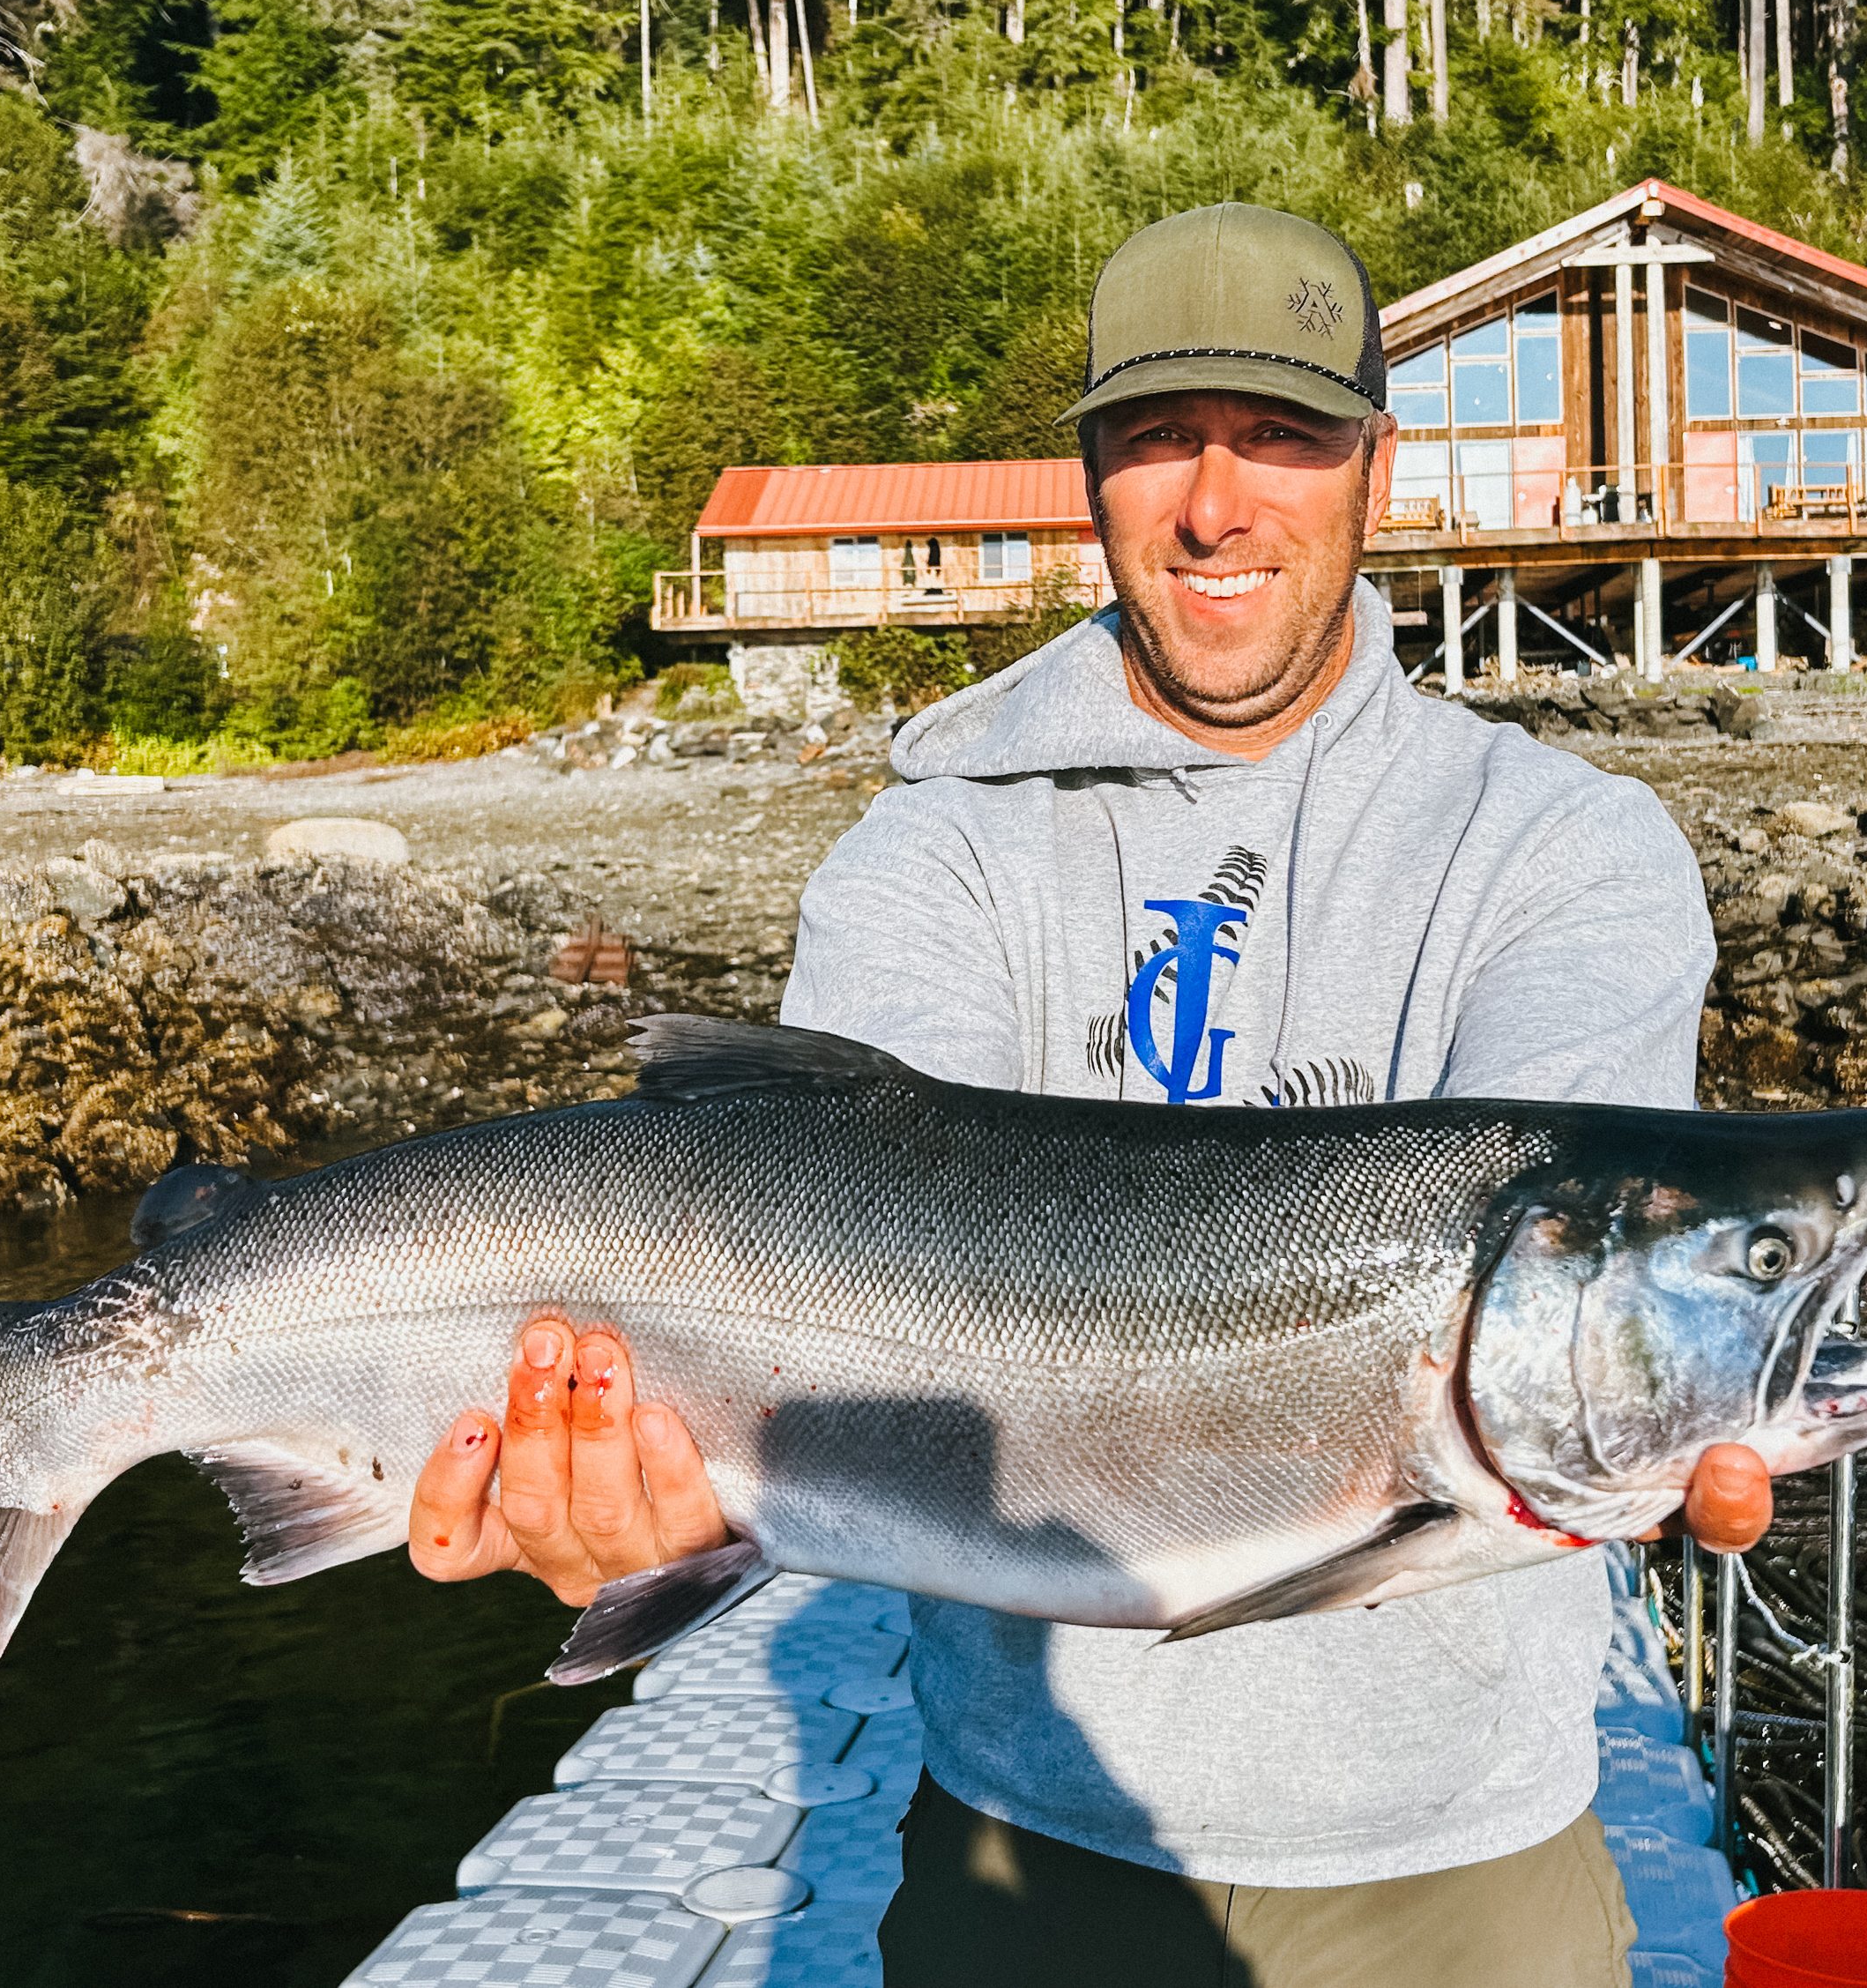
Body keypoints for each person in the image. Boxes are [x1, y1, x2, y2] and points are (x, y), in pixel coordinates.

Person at [406, 202, 1774, 1986]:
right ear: (1091, 474)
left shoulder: (1568, 853)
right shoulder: (934, 855)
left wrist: (1674, 1384)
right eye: (1160, 440)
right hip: (1028, 1851)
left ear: (1375, 461)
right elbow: (817, 1237)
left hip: (1464, 1864)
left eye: (1283, 434)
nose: (1219, 504)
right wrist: (674, 1490)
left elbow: (1552, 1291)